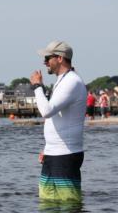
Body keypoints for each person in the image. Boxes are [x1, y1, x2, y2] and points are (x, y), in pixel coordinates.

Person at [29, 41, 87, 203]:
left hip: (66, 154)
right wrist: (48, 149)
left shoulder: (71, 82)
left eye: (48, 58)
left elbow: (47, 111)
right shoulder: (62, 81)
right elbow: (58, 117)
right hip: (54, 153)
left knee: (69, 207)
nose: (44, 62)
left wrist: (37, 86)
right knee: (47, 206)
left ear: (60, 58)